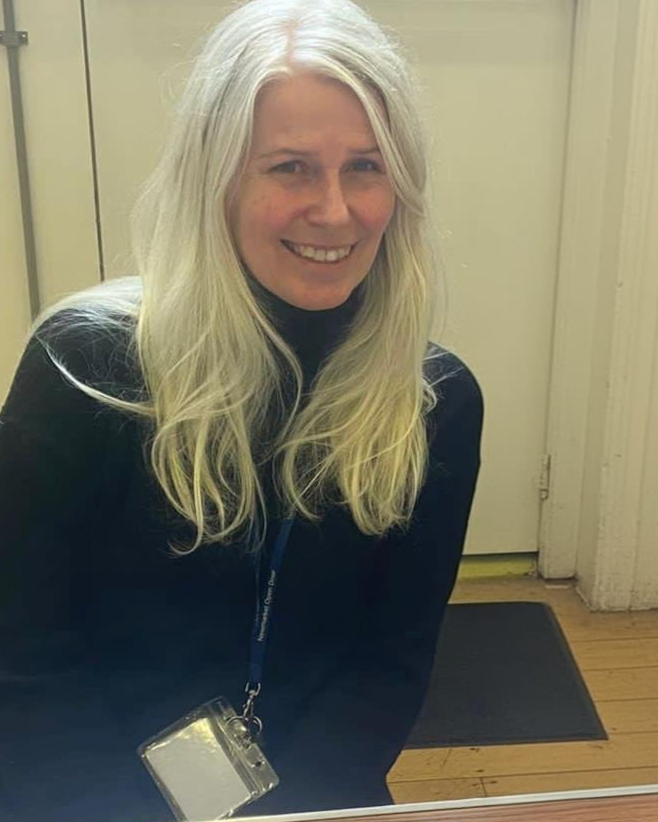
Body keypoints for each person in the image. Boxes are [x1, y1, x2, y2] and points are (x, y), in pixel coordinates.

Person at [0, 0, 484, 819]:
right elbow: (25, 660)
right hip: (81, 781)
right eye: (290, 166)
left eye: (366, 167)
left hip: (310, 792)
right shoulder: (84, 366)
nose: (336, 211)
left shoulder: (432, 402)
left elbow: (388, 667)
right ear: (214, 178)